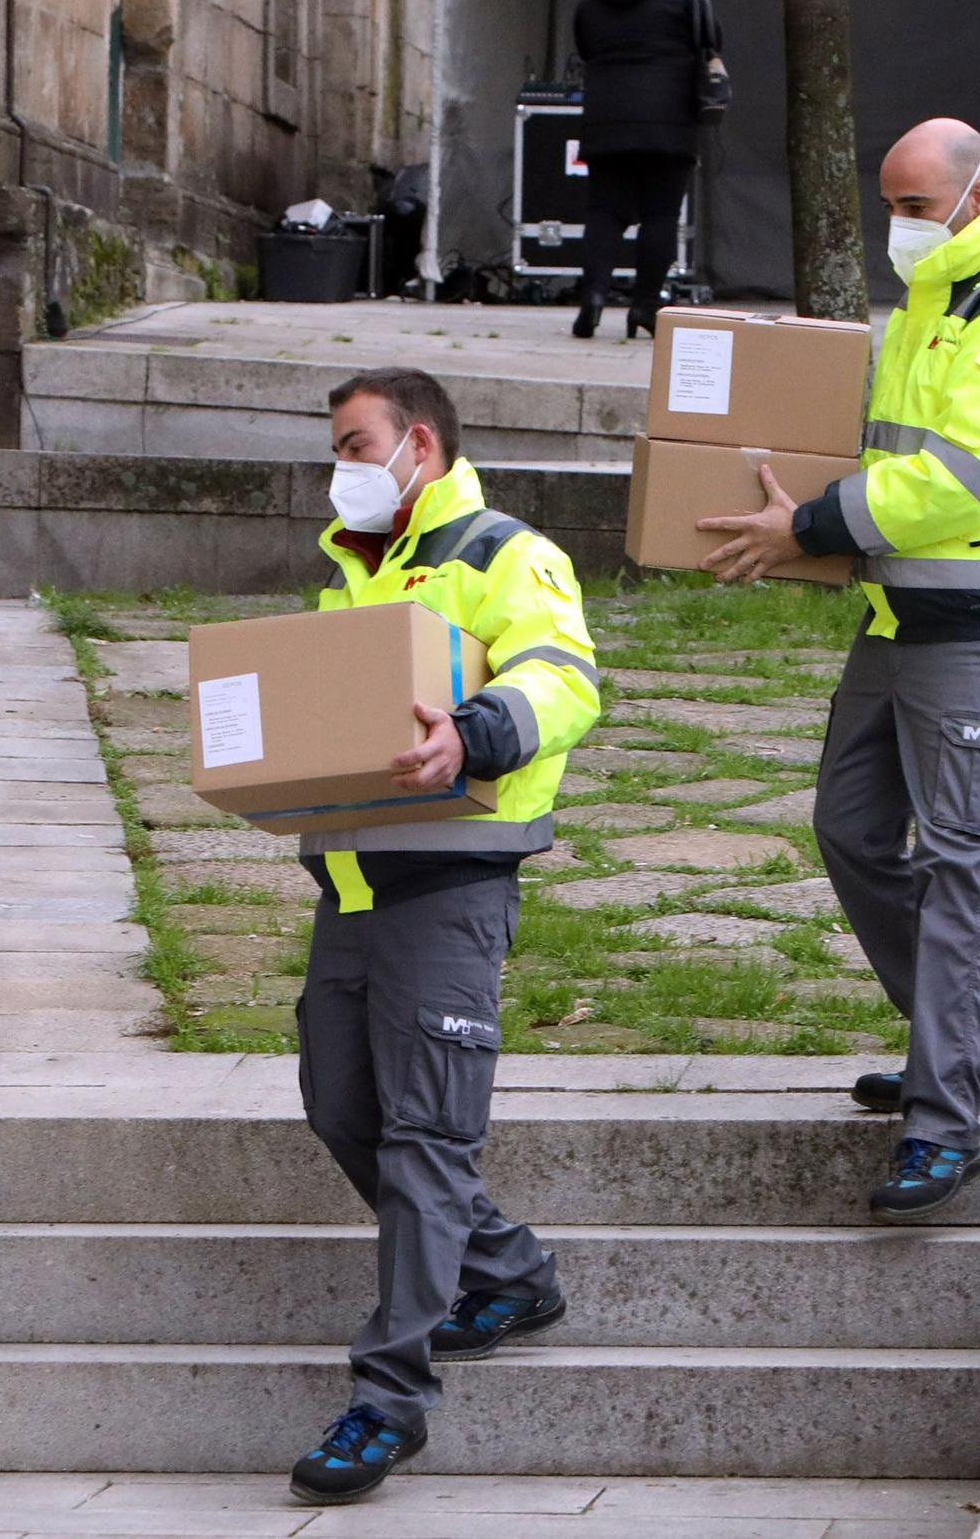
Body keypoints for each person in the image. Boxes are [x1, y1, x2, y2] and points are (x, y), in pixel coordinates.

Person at [696, 119, 980, 1224]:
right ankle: (975, 1047)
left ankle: (945, 1121)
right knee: (848, 825)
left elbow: (957, 481)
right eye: (891, 206)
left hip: (978, 617)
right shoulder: (937, 301)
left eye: (917, 208)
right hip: (899, 611)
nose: (900, 230)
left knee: (955, 865)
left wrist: (812, 526)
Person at [288, 369, 601, 1505]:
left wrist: (472, 737)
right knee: (342, 1107)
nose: (342, 465)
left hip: (452, 883)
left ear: (418, 442)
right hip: (352, 885)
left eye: (355, 442)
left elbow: (563, 682)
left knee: (424, 1141)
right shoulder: (350, 577)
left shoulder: (506, 553)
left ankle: (386, 1400)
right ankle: (508, 1270)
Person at [569, 0, 720, 340]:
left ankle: (594, 297)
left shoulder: (589, 0)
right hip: (669, 122)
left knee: (603, 212)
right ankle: (646, 304)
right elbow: (710, 41)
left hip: (606, 121)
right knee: (660, 215)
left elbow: (584, 49)